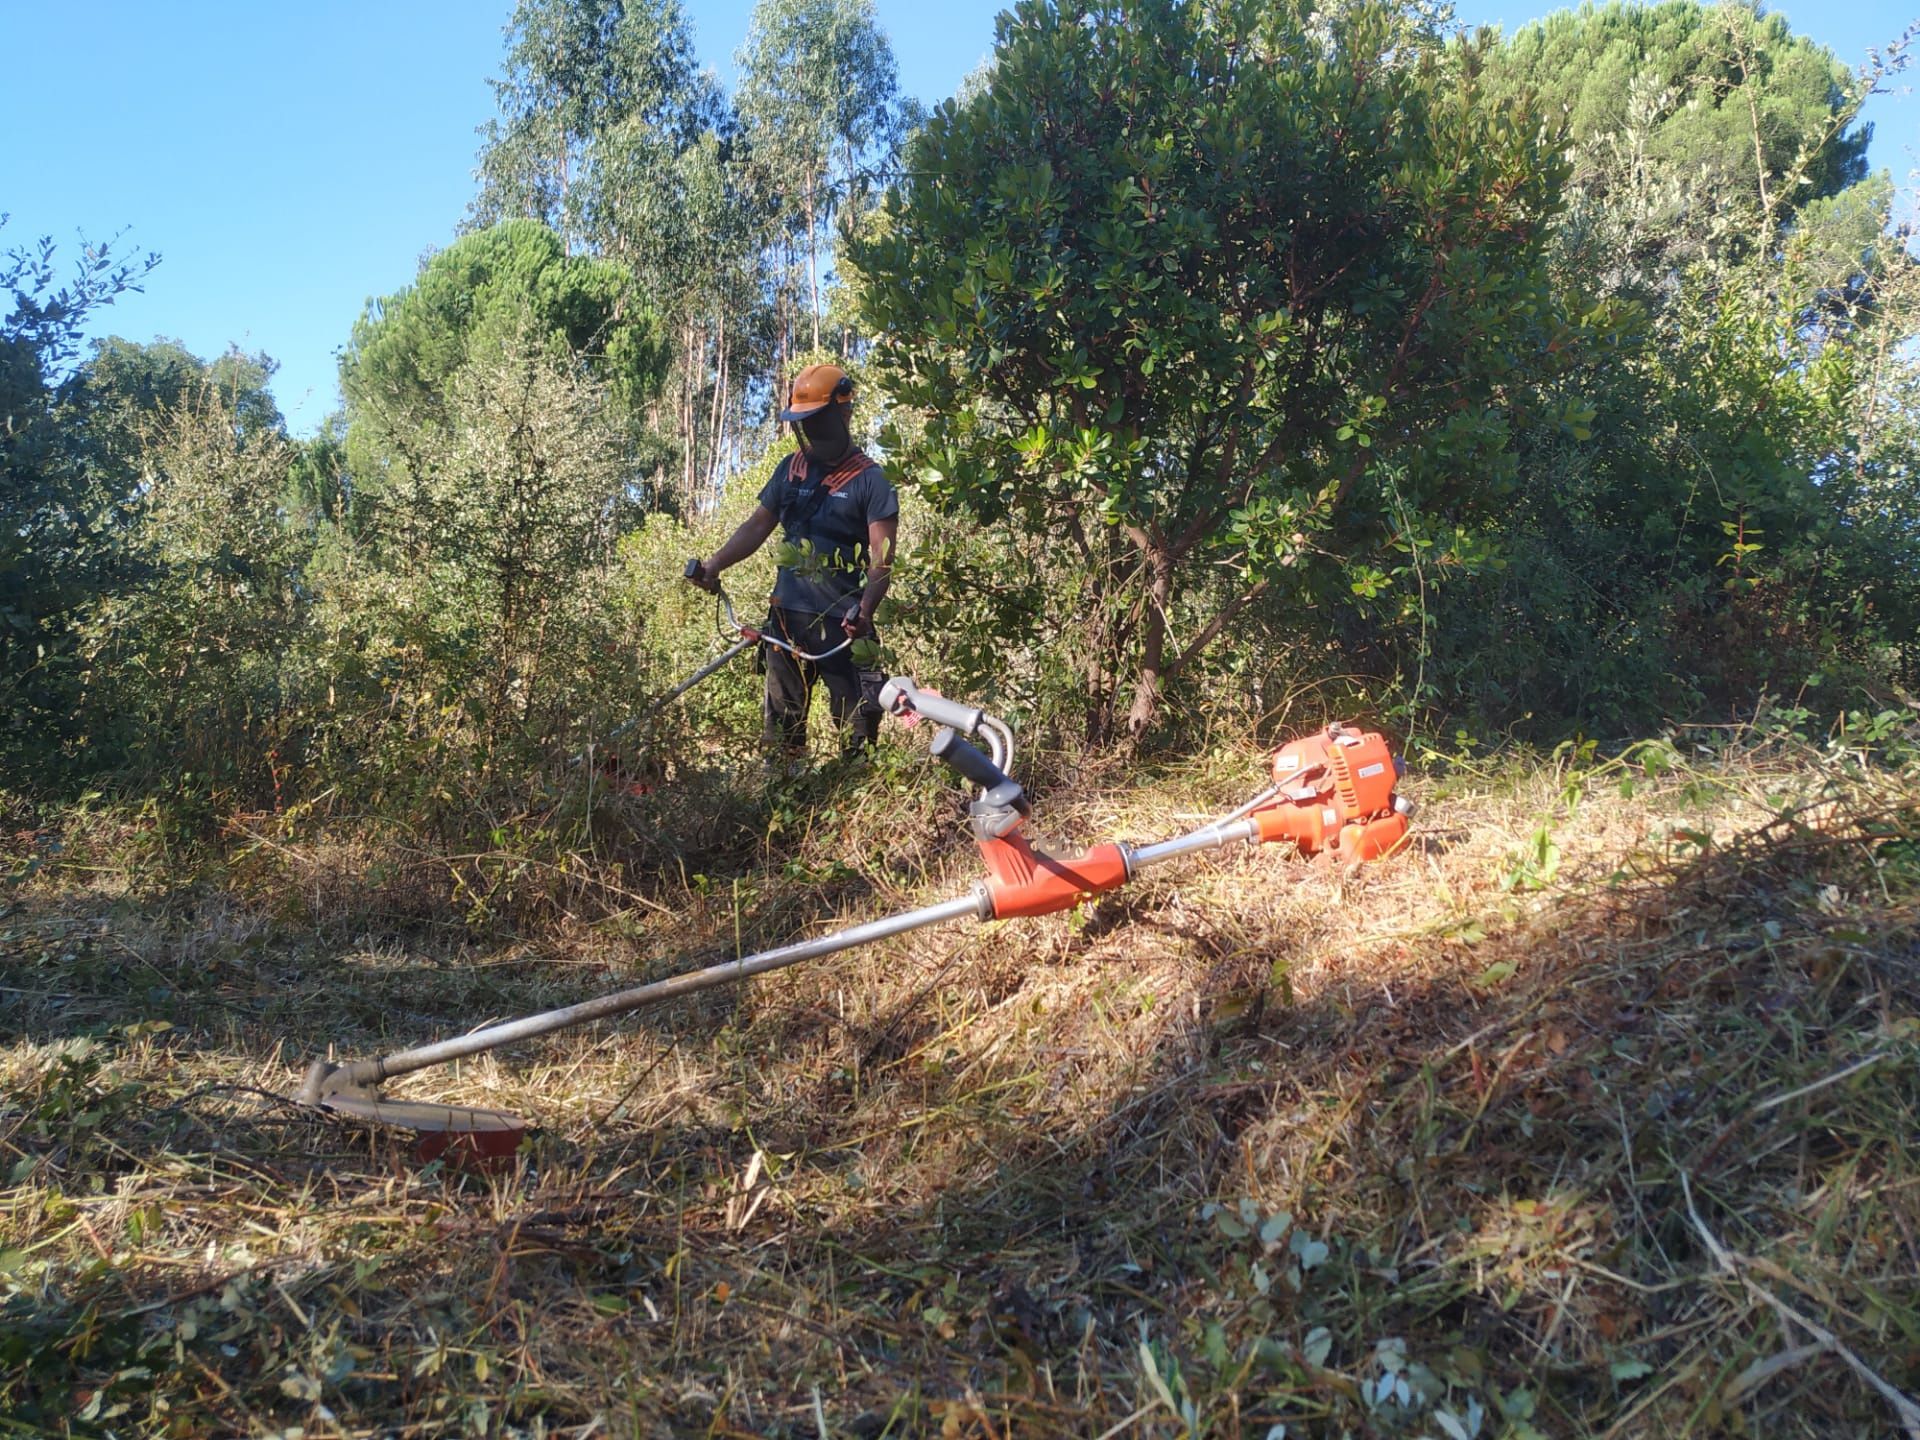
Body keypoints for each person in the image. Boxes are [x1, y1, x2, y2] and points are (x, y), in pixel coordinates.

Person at [686, 363, 899, 759]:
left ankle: (853, 802)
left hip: (844, 629)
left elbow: (881, 560)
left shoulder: (871, 480)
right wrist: (714, 565)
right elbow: (756, 527)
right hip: (785, 625)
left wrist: (865, 610)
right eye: (806, 422)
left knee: (857, 737)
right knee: (782, 742)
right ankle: (785, 802)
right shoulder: (791, 471)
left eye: (818, 420)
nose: (812, 430)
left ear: (843, 412)